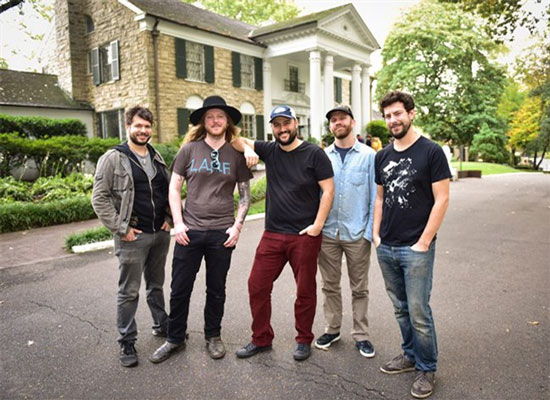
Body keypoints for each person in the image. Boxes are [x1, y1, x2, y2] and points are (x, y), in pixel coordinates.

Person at [150, 95, 252, 363]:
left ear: (227, 122)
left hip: (222, 233)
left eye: (220, 117)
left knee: (216, 289)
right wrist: (178, 223)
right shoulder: (189, 150)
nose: (215, 121)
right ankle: (175, 338)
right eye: (210, 117)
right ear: (203, 122)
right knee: (180, 288)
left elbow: (245, 195)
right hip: (190, 231)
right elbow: (174, 188)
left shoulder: (236, 154)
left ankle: (213, 336)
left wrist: (237, 227)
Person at [233, 105, 335, 361]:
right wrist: (247, 148)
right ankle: (261, 339)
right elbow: (234, 139)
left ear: (295, 123)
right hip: (273, 234)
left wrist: (317, 226)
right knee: (257, 286)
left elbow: (328, 190)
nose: (282, 129)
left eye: (286, 123)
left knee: (305, 290)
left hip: (304, 235)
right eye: (277, 125)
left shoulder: (314, 154)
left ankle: (303, 339)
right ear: (272, 128)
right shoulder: (270, 150)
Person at [373, 91, 451, 399]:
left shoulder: (431, 152)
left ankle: (426, 367)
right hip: (386, 246)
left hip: (416, 247)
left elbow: (442, 199)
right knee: (400, 308)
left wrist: (424, 241)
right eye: (388, 116)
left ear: (411, 114)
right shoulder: (382, 156)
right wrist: (376, 235)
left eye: (397, 113)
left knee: (419, 311)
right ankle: (409, 355)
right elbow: (380, 198)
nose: (393, 120)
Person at [92, 106, 172, 368]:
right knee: (129, 292)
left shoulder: (156, 156)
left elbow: (166, 190)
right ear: (128, 126)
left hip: (159, 234)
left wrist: (169, 218)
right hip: (132, 237)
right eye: (138, 125)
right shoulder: (113, 158)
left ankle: (161, 324)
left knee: (156, 285)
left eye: (147, 126)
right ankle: (127, 340)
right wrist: (121, 228)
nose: (143, 130)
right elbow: (99, 198)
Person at [315, 105, 377, 358]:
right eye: (333, 120)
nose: (337, 123)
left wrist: (368, 233)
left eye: (342, 118)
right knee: (329, 286)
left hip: (357, 233)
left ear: (352, 122)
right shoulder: (322, 156)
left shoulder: (369, 156)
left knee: (360, 288)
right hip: (328, 233)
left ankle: (361, 335)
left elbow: (376, 197)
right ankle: (332, 329)